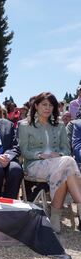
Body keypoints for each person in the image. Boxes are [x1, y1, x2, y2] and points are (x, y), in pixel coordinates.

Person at [19, 92, 81, 233]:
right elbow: (24, 151)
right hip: (34, 164)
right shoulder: (24, 125)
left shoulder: (59, 126)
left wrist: (58, 154)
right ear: (36, 106)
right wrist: (41, 155)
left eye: (51, 105)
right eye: (44, 105)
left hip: (60, 164)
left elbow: (66, 148)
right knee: (68, 162)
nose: (47, 108)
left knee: (65, 169)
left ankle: (55, 218)